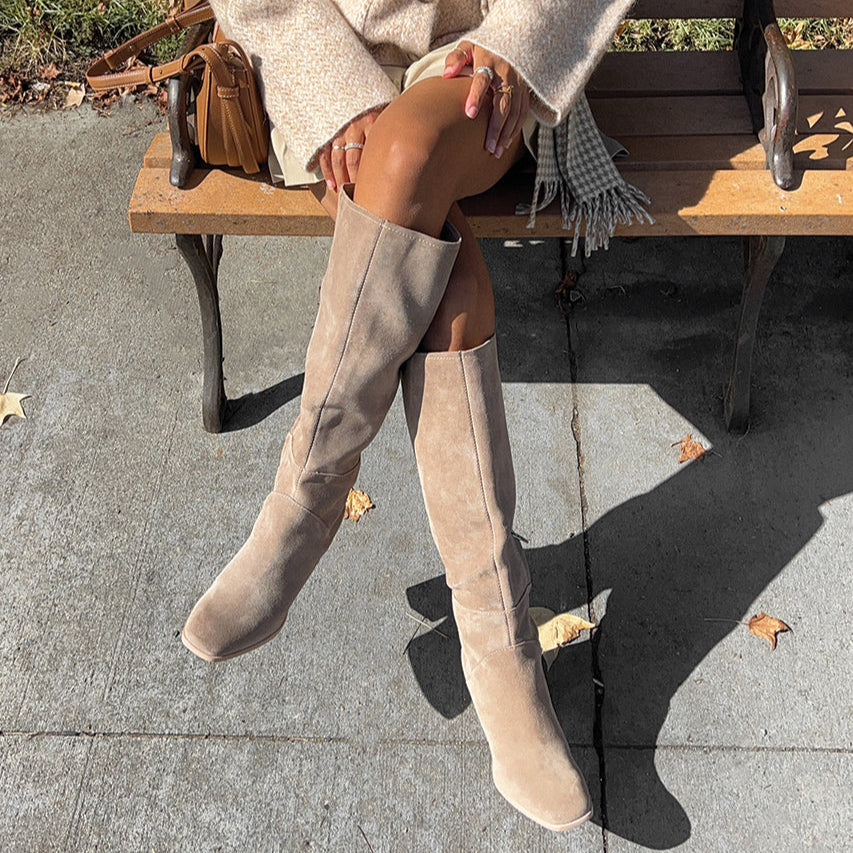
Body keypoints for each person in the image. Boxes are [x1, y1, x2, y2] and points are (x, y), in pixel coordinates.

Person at [181, 0, 640, 832]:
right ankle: (496, 636)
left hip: (475, 69)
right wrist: (334, 89)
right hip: (317, 62)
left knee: (406, 149)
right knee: (448, 288)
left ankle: (301, 508)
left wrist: (517, 40)